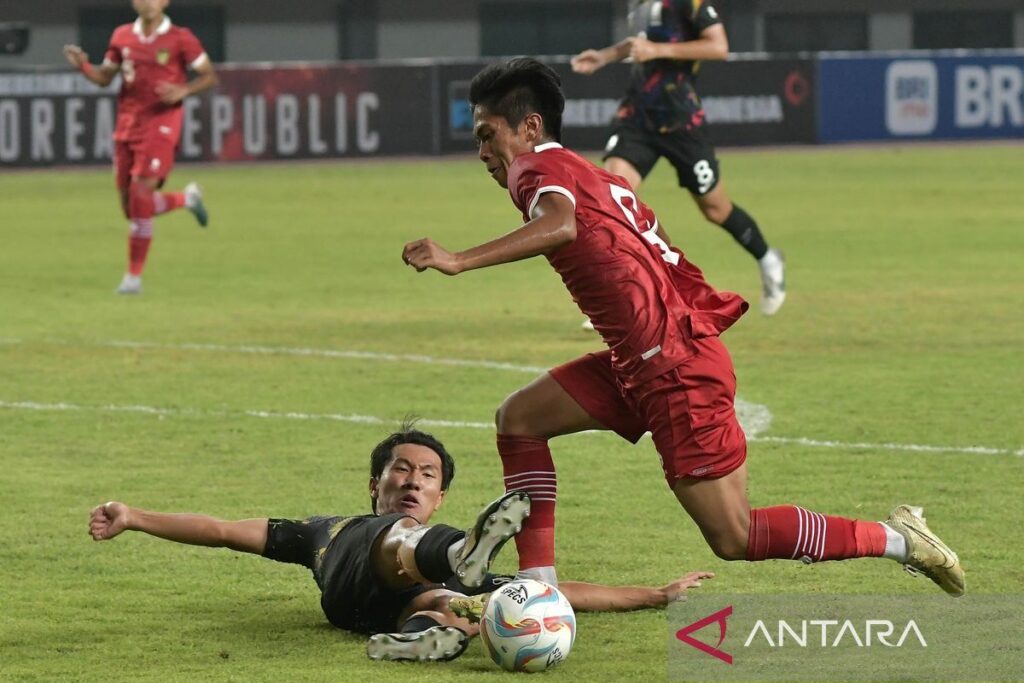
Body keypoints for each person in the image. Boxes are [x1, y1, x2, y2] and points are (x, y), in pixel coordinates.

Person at [401, 58, 964, 601]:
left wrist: (457, 260)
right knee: (520, 418)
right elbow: (658, 243)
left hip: (672, 366)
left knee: (735, 536)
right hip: (646, 360)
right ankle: (540, 590)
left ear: (529, 126)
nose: (481, 152)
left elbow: (561, 225)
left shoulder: (534, 169)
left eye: (486, 134)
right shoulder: (590, 173)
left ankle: (900, 539)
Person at [89, 425, 714, 663]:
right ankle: (456, 570)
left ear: (440, 496)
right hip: (360, 569)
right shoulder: (324, 531)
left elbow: (556, 593)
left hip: (373, 616)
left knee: (468, 603)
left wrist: (655, 595)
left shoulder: (420, 526)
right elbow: (225, 531)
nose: (413, 480)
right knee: (409, 548)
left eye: (427, 476)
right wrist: (135, 516)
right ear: (375, 484)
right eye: (402, 470)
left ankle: (429, 634)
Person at [570, 0, 786, 317]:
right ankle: (624, 298)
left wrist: (657, 51)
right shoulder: (640, 5)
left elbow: (718, 46)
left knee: (715, 209)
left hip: (682, 121)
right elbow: (638, 45)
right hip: (637, 118)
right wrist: (605, 56)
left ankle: (768, 258)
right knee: (612, 201)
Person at [63, 0, 217, 295]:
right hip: (127, 126)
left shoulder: (180, 38)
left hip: (161, 125)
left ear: (164, 2)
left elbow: (209, 75)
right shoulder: (122, 36)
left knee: (141, 194)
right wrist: (83, 66)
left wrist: (184, 89)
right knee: (131, 209)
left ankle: (133, 279)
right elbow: (105, 78)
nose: (148, 2)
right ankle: (187, 199)